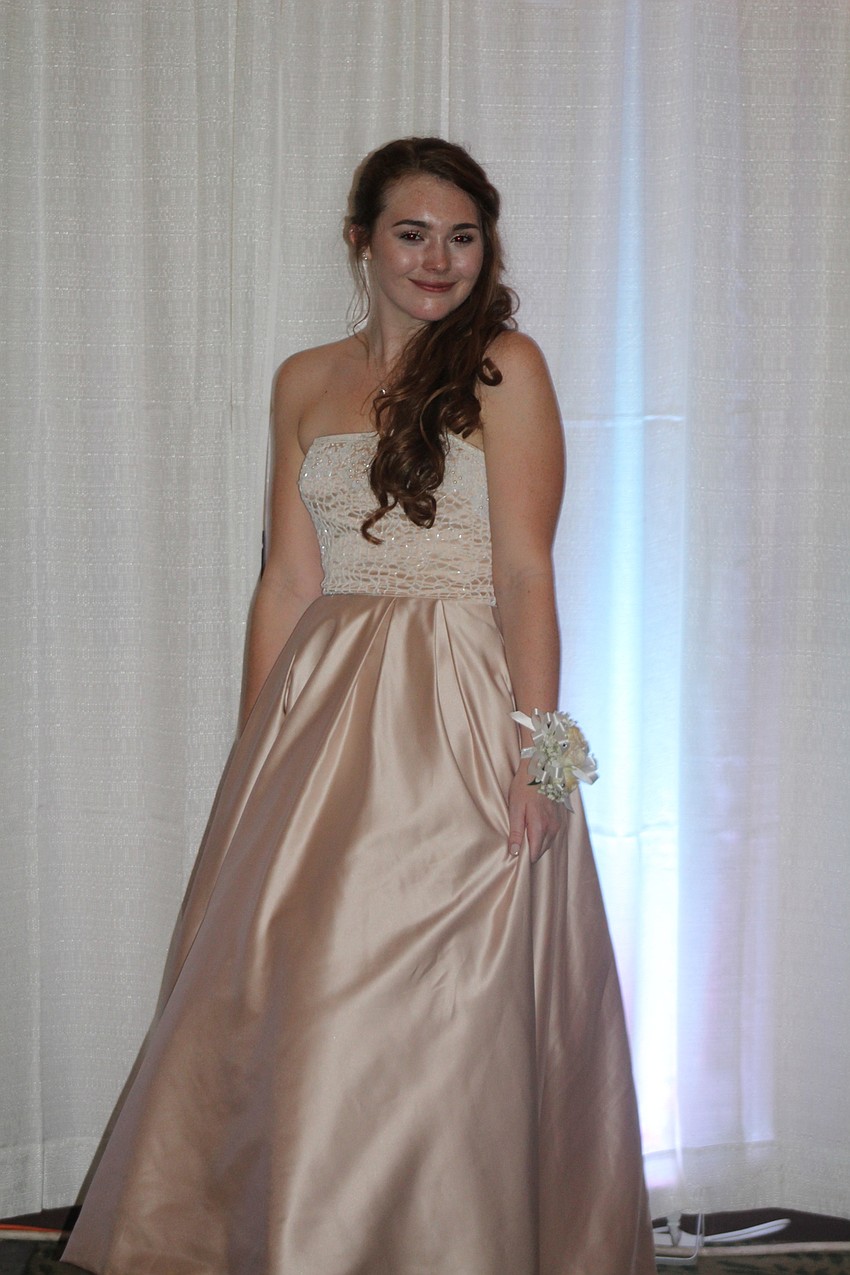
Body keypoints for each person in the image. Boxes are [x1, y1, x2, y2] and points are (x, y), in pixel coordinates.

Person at [64, 137, 656, 1274]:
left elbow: (526, 571)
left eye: (462, 237)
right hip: (326, 712)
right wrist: (254, 755)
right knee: (304, 989)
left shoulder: (506, 368)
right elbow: (287, 581)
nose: (438, 259)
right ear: (360, 240)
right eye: (412, 233)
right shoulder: (301, 380)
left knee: (452, 998)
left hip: (462, 706)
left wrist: (540, 758)